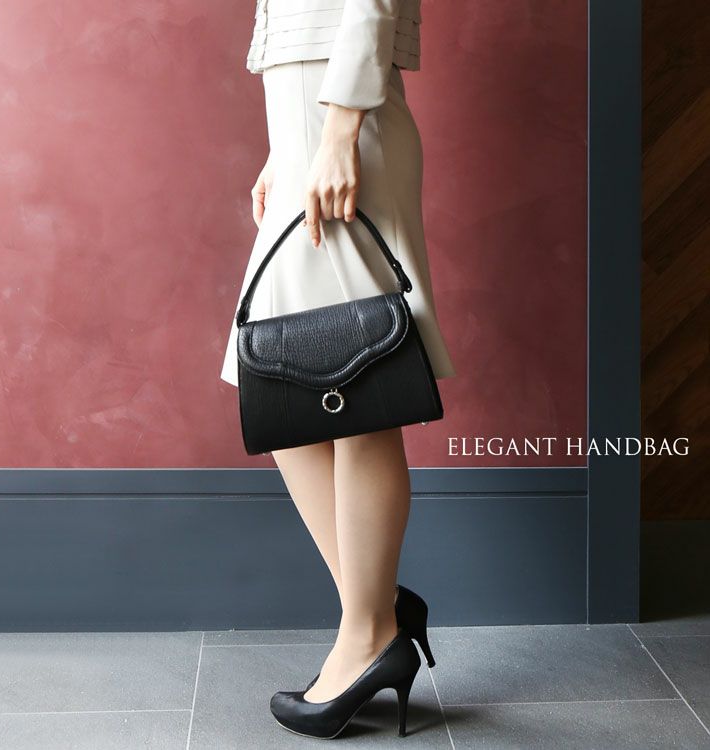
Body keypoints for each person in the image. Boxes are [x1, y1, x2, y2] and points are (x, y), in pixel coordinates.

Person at [219, 0, 458, 739]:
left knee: (359, 391)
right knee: (285, 386)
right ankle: (376, 614)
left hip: (343, 128)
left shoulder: (343, 128)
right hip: (311, 131)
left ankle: (368, 632)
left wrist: (338, 134)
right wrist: (287, 148)